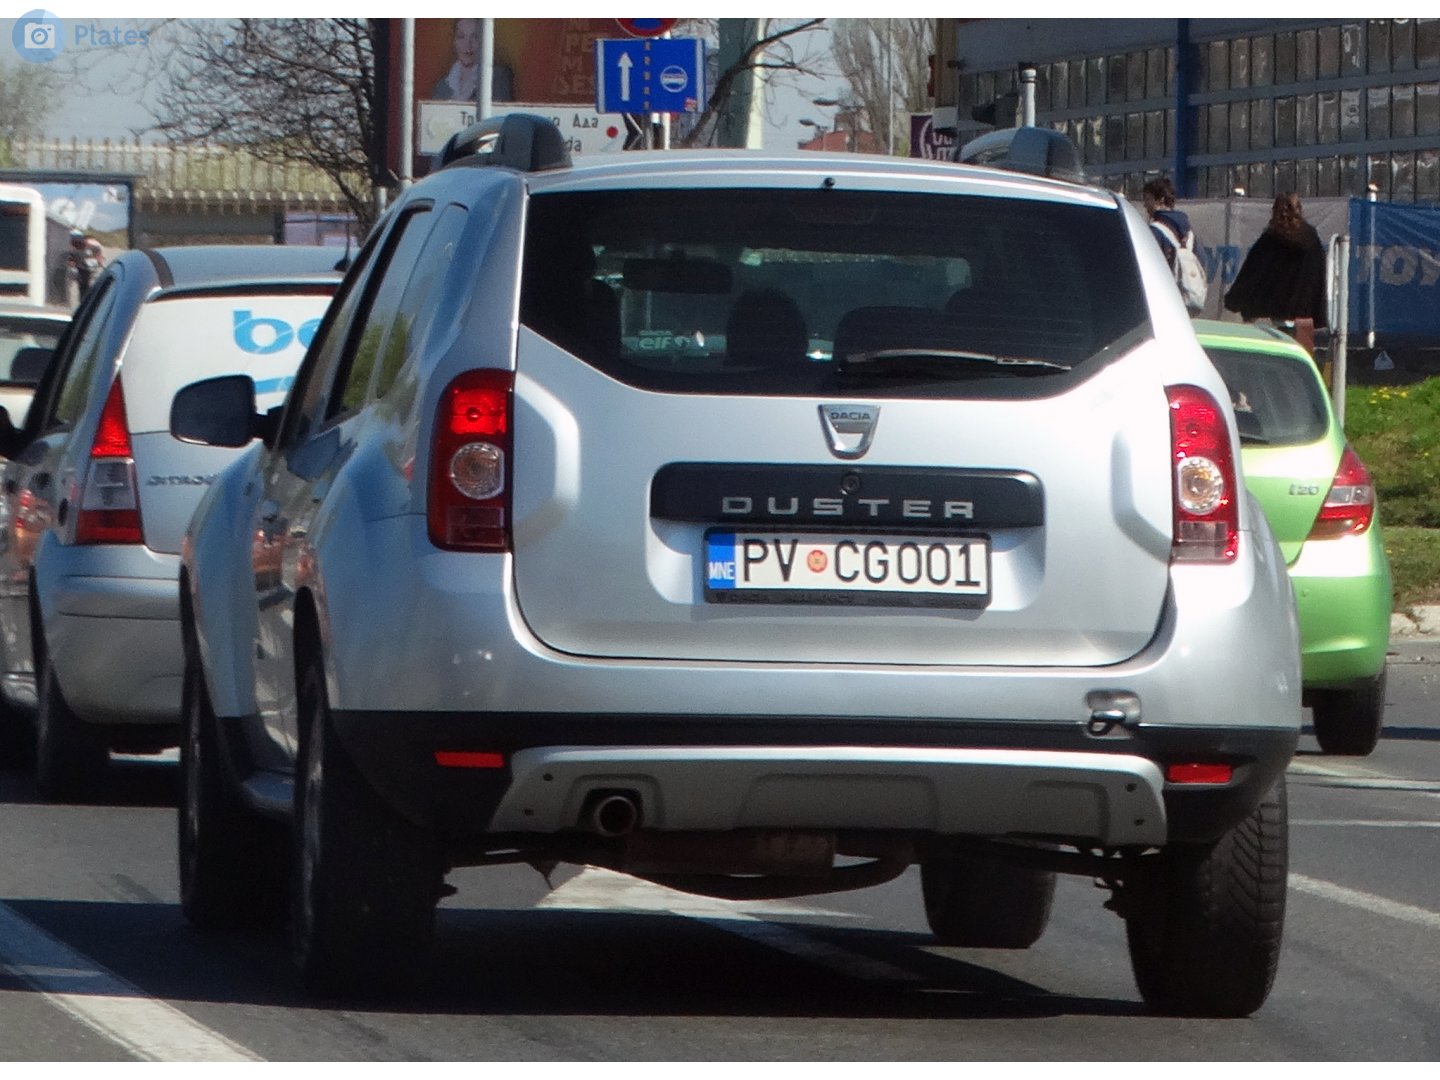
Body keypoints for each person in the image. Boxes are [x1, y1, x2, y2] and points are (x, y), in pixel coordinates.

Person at [1224, 191, 1328, 352]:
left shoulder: (1269, 241)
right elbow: (1318, 278)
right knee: (1300, 365)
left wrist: (1235, 301)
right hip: (1304, 321)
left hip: (1272, 318)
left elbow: (1252, 274)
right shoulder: (1312, 239)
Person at [431, 18, 514, 104]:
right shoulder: (442, 86)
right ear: (454, 41)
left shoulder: (499, 77)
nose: (468, 45)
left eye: (475, 37)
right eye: (461, 37)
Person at [1141, 177, 1193, 274]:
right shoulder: (1189, 231)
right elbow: (1202, 259)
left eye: (1148, 199)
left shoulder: (1155, 231)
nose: (1145, 204)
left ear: (1161, 200)